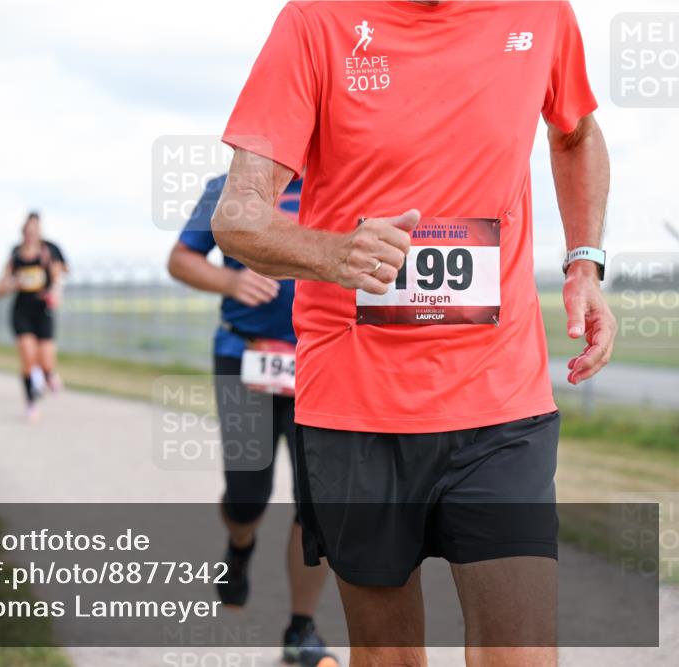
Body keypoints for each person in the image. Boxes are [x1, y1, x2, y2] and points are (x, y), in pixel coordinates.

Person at [211, 3, 614, 666]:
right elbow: (238, 215)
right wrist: (333, 253)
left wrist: (585, 262)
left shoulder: (540, 13)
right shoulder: (316, 21)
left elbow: (574, 134)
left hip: (500, 400)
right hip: (355, 409)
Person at [168, 175, 338, 667]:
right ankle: (239, 548)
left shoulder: (344, 178)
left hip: (322, 363)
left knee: (319, 505)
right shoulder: (231, 186)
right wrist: (231, 280)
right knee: (247, 496)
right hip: (245, 357)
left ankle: (300, 629)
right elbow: (181, 258)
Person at [0, 212, 67, 422]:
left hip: (43, 310)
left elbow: (57, 279)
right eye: (28, 230)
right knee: (28, 356)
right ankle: (31, 402)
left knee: (45, 360)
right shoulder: (15, 256)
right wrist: (10, 285)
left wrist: (54, 294)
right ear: (23, 232)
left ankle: (48, 374)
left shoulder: (48, 252)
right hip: (22, 310)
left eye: (35, 230)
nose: (31, 234)